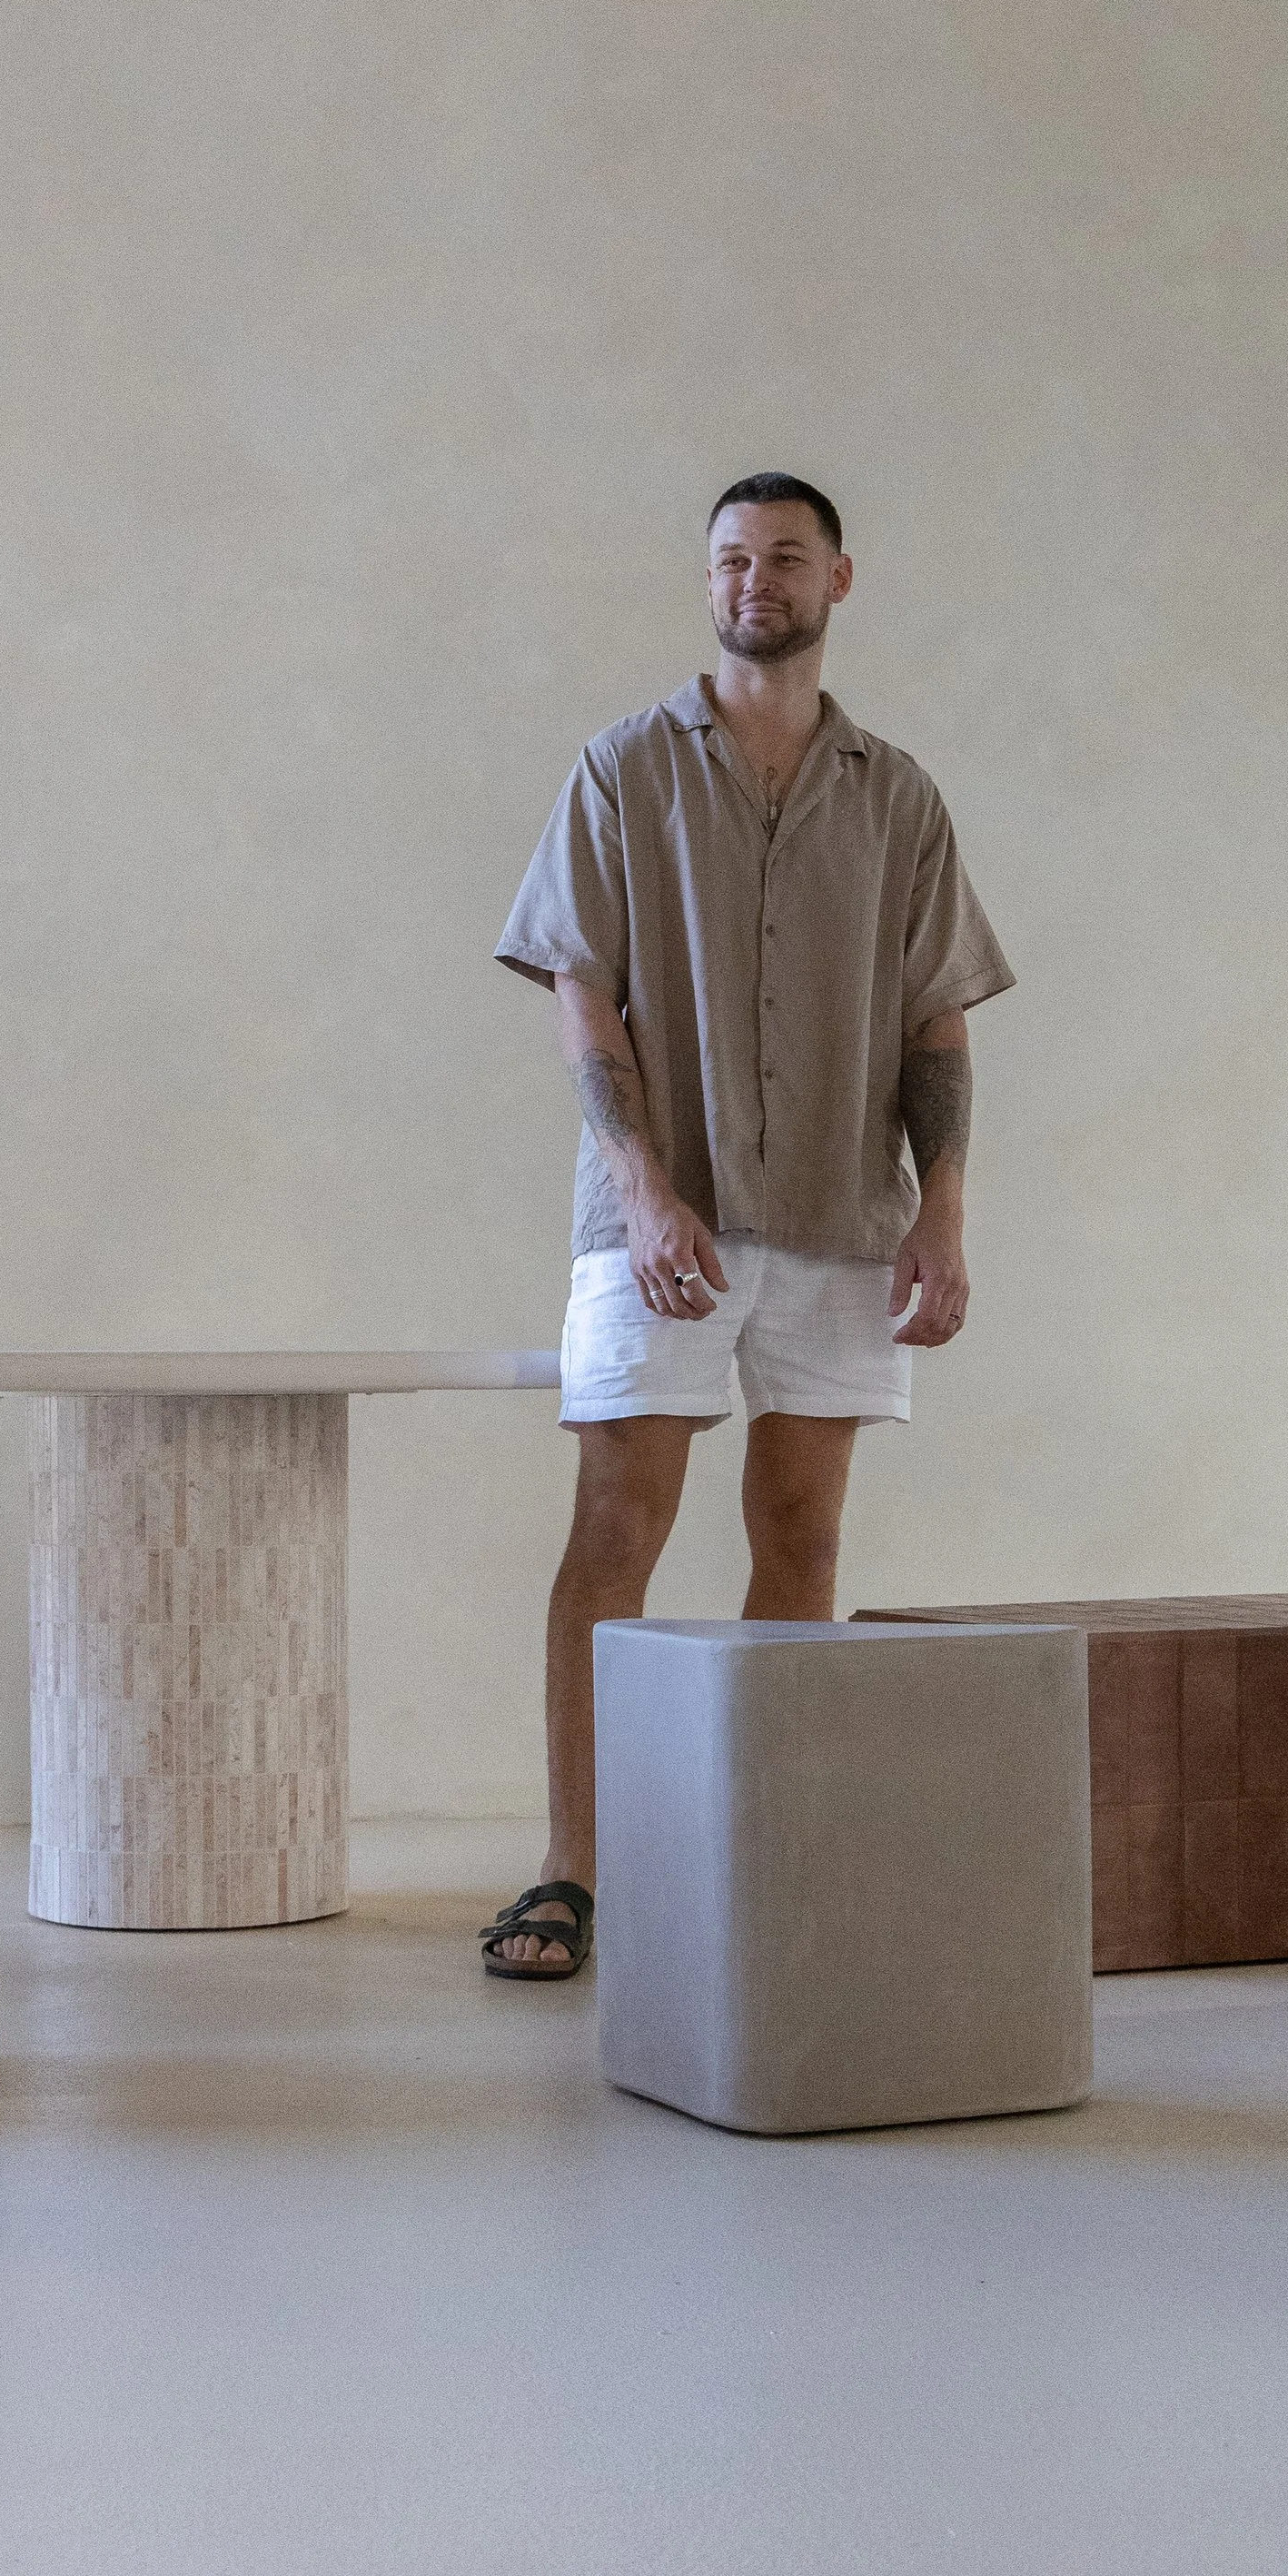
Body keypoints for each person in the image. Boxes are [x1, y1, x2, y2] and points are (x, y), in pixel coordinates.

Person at [481, 471, 1015, 1978]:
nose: (752, 577)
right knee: (615, 1528)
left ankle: (763, 1851)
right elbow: (580, 985)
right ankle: (572, 1872)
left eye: (784, 555)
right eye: (729, 555)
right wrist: (646, 1187)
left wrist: (947, 1212)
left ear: (840, 577)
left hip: (848, 1216)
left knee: (802, 1533)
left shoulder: (898, 794)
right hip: (665, 1217)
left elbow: (937, 1017)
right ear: (703, 578)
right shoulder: (621, 770)